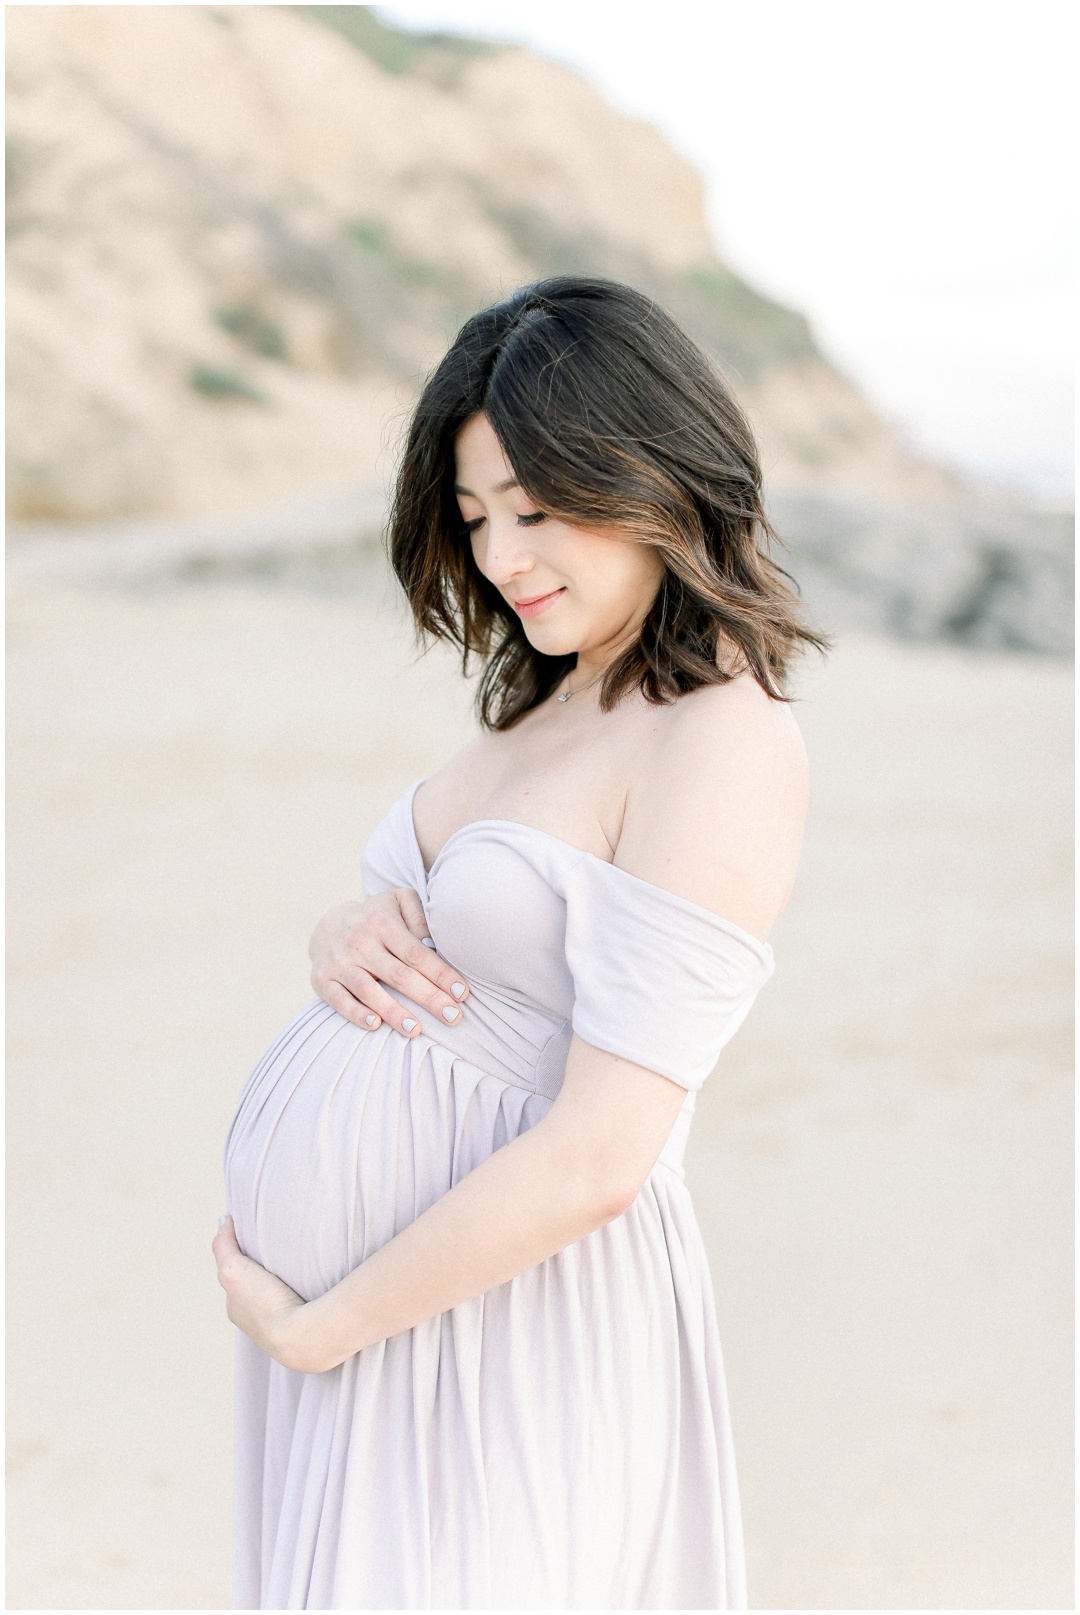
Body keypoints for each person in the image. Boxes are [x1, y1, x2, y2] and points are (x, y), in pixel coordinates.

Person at [213, 275, 822, 1610]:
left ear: (656, 469)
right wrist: (341, 927)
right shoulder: (556, 701)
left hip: (502, 1337)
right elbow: (463, 929)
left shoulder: (720, 738)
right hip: (383, 1333)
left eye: (540, 512)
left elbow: (606, 1151)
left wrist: (328, 1326)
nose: (501, 557)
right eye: (478, 516)